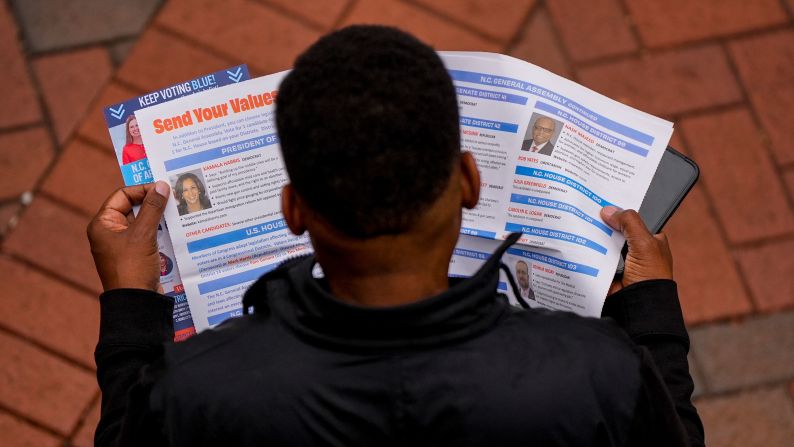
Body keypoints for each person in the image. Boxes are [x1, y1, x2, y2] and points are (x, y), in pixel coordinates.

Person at [89, 26, 703, 446]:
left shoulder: (193, 391)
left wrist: (130, 316)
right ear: (468, 180)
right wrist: (649, 317)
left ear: (294, 210)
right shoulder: (600, 373)